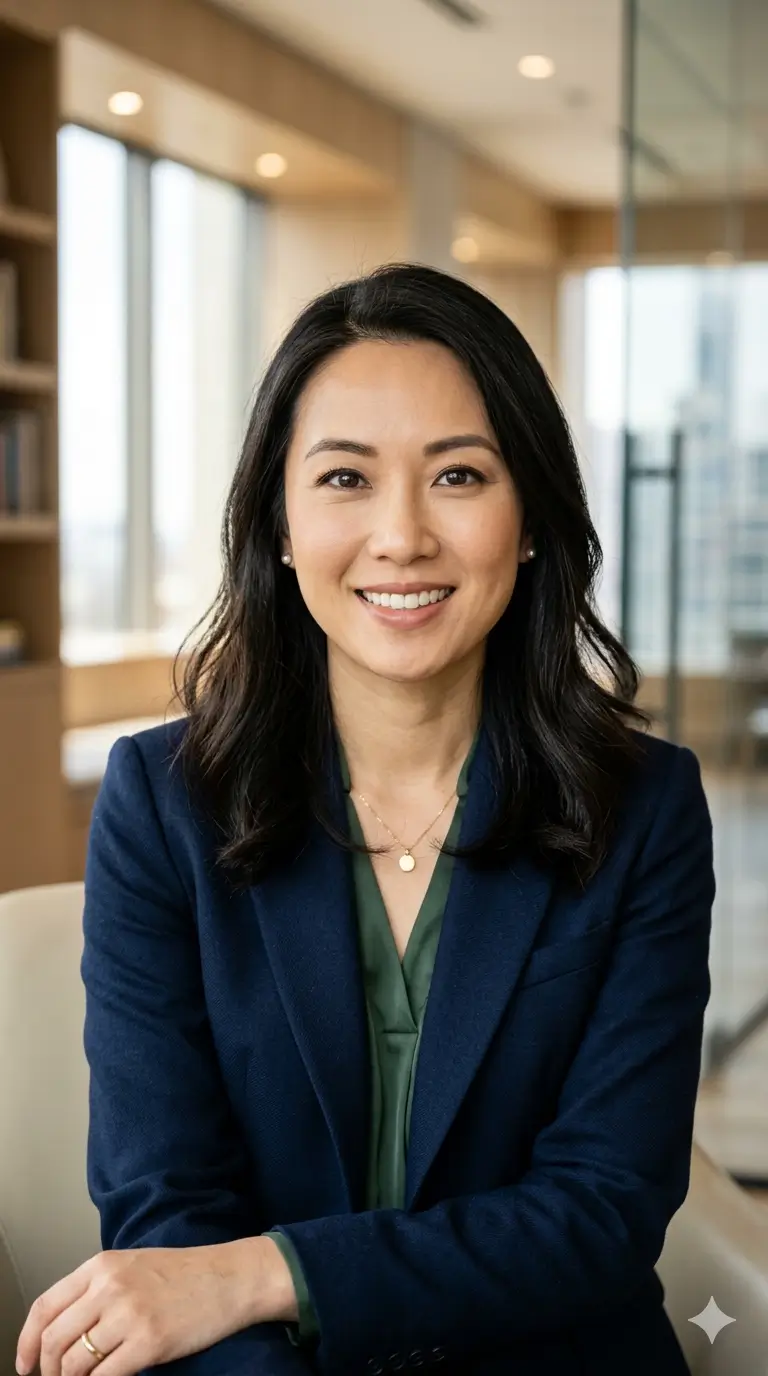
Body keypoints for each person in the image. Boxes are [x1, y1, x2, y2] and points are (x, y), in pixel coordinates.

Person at [16, 264, 714, 1376]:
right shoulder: (161, 802)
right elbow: (166, 1211)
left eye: (458, 475)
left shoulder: (645, 805)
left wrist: (272, 1270)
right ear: (281, 524)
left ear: (528, 517)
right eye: (345, 476)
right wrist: (235, 1293)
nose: (400, 536)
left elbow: (602, 1210)